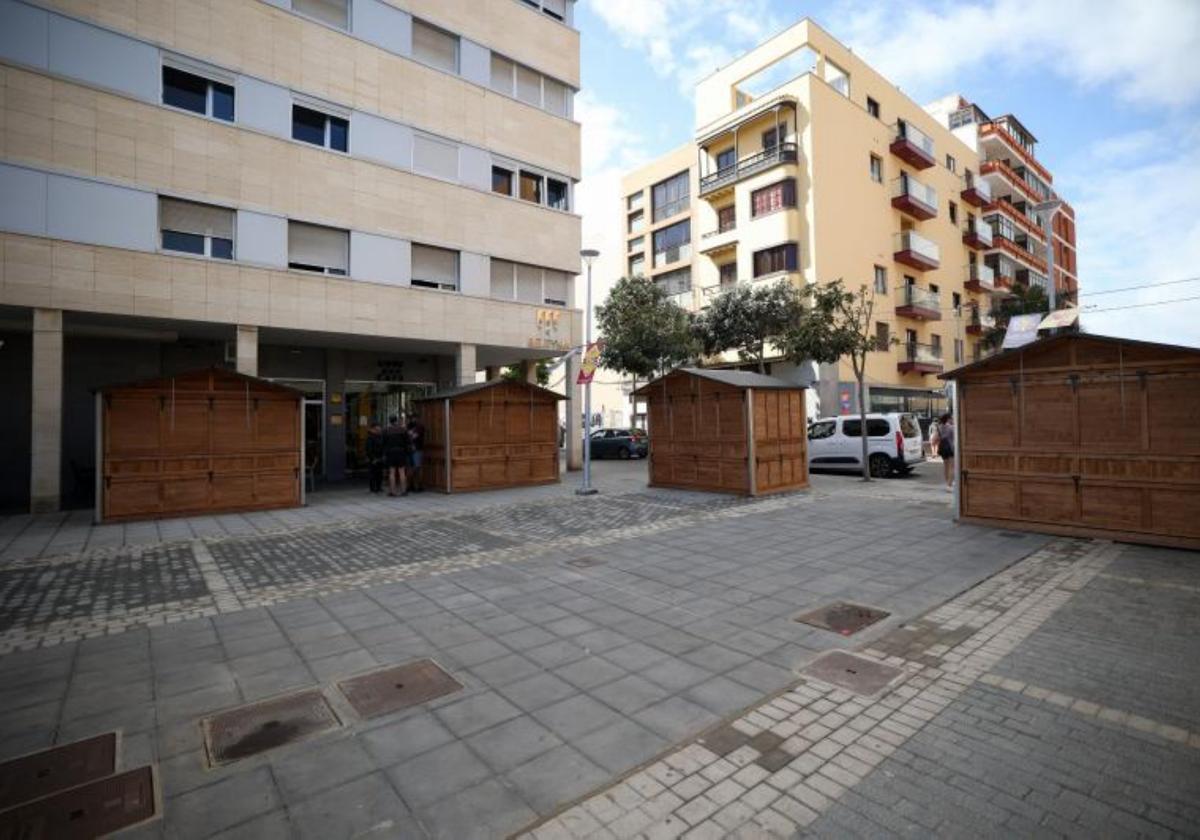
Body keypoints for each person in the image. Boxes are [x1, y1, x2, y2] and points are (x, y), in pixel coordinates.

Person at [383, 414, 410, 497]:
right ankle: (403, 490)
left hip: (391, 453)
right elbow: (407, 441)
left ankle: (392, 491)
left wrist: (385, 453)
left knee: (392, 472)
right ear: (396, 420)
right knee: (402, 472)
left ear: (389, 421)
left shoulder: (386, 430)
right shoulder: (403, 429)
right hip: (401, 452)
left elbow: (384, 443)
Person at [406, 414, 426, 493]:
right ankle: (414, 485)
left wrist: (409, 434)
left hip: (416, 449)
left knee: (416, 468)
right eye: (411, 418)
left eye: (412, 418)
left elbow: (412, 436)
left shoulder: (419, 427)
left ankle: (416, 485)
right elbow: (411, 436)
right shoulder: (411, 426)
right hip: (414, 449)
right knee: (414, 468)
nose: (412, 419)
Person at [936, 413, 956, 490]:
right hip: (950, 448)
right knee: (952, 467)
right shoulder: (951, 427)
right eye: (951, 418)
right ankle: (949, 485)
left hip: (942, 448)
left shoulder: (939, 427)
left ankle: (947, 482)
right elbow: (955, 437)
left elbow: (937, 438)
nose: (952, 419)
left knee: (946, 466)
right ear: (948, 419)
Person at [365, 422, 384, 494]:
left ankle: (379, 487)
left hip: (380, 458)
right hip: (373, 458)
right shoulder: (370, 437)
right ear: (372, 429)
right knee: (373, 473)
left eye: (379, 429)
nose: (378, 430)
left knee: (379, 473)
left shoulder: (380, 436)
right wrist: (373, 458)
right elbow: (369, 449)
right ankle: (373, 488)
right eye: (377, 429)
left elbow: (382, 446)